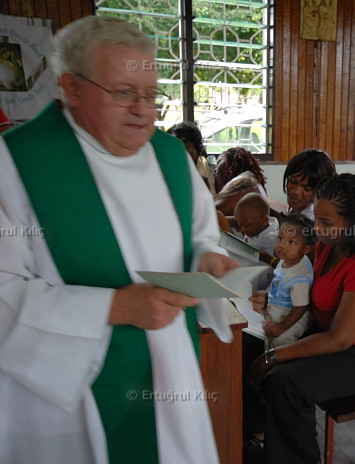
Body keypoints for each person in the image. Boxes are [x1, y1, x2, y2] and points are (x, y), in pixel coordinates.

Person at [0, 16, 239, 464]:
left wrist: (207, 258)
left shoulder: (170, 155)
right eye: (123, 93)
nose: (143, 110)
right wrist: (115, 307)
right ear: (71, 88)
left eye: (151, 94)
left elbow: (201, 234)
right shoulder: (15, 165)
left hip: (171, 372)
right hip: (72, 400)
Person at [246, 173, 355, 463]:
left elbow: (340, 340)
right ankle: (257, 433)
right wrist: (271, 297)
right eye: (317, 218)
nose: (317, 228)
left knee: (288, 384)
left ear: (353, 221)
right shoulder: (329, 245)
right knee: (249, 344)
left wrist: (274, 357)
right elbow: (297, 280)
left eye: (326, 223)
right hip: (325, 331)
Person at [250, 212, 315, 351]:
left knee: (280, 341)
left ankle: (274, 367)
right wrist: (265, 297)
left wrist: (282, 327)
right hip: (277, 306)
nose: (282, 246)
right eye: (280, 238)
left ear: (306, 249)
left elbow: (301, 307)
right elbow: (277, 284)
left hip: (291, 318)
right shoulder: (286, 260)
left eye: (291, 242)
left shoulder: (299, 277)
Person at [282, 148, 336, 221]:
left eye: (306, 188)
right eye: (293, 182)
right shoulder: (296, 211)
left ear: (321, 190)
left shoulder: (313, 222)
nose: (296, 192)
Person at [167, 121, 216, 194]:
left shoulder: (211, 169)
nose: (180, 151)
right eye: (174, 147)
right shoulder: (166, 172)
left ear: (196, 146)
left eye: (186, 147)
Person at [233, 191, 279, 257]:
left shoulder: (272, 240)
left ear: (264, 220)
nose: (242, 229)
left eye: (247, 225)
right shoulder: (255, 229)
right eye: (240, 225)